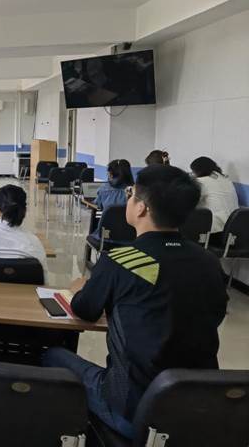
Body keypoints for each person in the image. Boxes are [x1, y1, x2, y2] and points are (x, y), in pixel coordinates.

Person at [43, 165, 228, 439]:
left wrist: (81, 288)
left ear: (141, 208)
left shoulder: (121, 260)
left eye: (131, 195)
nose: (128, 199)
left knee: (51, 356)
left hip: (134, 412)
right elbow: (215, 313)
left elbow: (84, 310)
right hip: (198, 410)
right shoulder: (209, 263)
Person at [190, 156, 239, 235]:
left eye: (193, 172)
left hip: (216, 231)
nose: (193, 174)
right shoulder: (226, 180)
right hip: (236, 228)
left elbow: (189, 201)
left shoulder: (201, 182)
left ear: (198, 171)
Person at [90, 159, 135, 240]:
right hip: (131, 237)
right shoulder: (136, 191)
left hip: (106, 236)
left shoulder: (104, 189)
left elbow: (97, 205)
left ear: (110, 174)